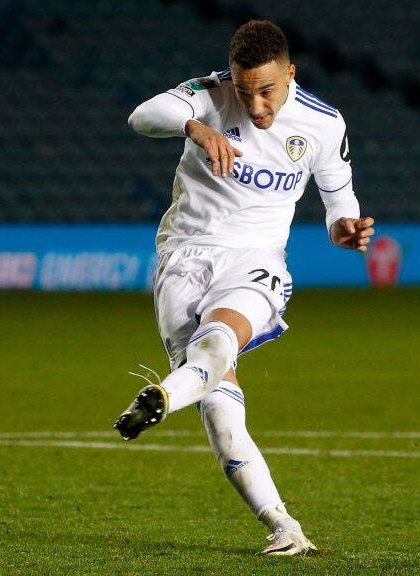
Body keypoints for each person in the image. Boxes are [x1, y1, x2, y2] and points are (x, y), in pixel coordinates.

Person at [114, 19, 375, 556]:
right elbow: (142, 117)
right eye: (244, 90)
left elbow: (339, 201)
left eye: (267, 91)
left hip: (256, 260)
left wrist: (344, 229)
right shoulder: (209, 95)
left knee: (216, 345)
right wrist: (195, 128)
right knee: (218, 404)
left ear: (291, 73)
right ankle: (283, 525)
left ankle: (163, 396)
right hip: (183, 256)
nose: (255, 106)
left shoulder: (323, 123)